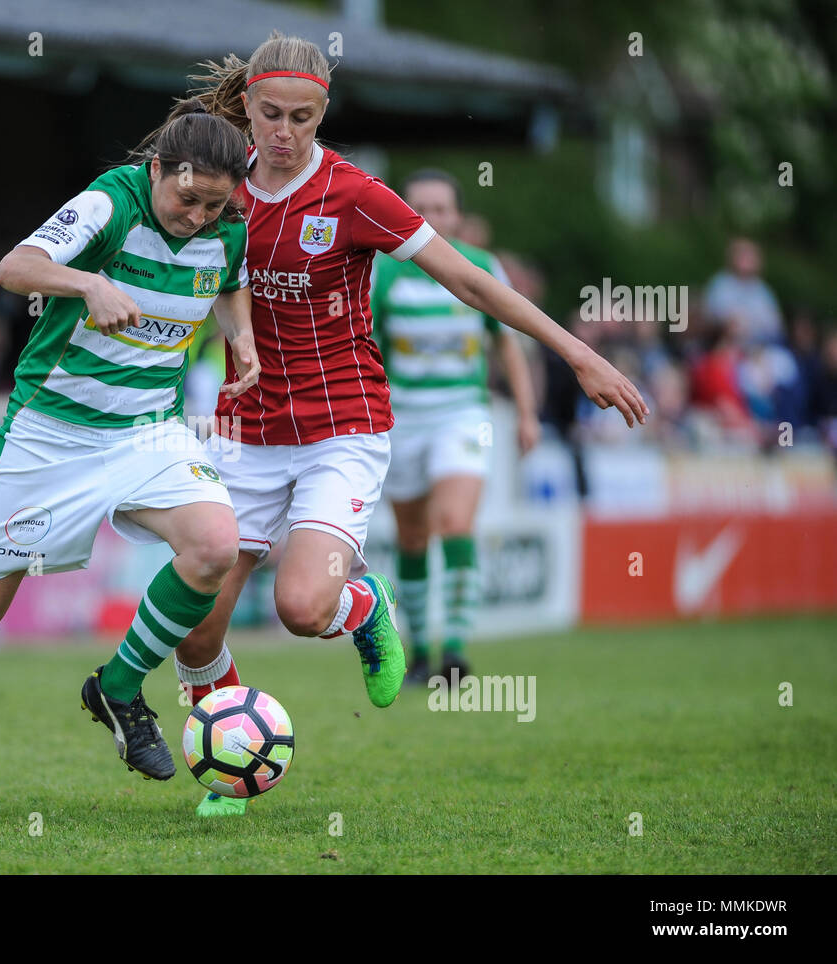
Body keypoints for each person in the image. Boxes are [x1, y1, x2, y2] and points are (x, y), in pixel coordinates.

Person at [172, 32, 647, 817]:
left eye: (302, 116)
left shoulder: (353, 194)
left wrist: (576, 355)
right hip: (244, 430)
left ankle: (366, 607)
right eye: (269, 115)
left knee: (301, 610)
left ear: (323, 114)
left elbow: (468, 277)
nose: (284, 132)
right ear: (246, 108)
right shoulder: (218, 186)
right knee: (197, 629)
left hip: (342, 428)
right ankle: (229, 770)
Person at [0, 100, 260, 816]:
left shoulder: (227, 231)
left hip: (148, 431)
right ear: (158, 167)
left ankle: (119, 684)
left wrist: (244, 344)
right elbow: (16, 267)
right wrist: (87, 282)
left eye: (213, 205)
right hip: (49, 436)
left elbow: (226, 286)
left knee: (214, 546)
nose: (197, 215)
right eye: (186, 197)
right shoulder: (112, 202)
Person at [371, 169, 540, 685]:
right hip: (402, 418)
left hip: (465, 414)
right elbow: (367, 343)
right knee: (414, 537)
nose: (431, 218)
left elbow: (507, 339)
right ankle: (420, 651)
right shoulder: (385, 272)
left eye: (441, 208)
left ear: (458, 215)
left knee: (455, 523)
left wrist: (527, 413)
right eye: (420, 207)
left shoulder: (482, 267)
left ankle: (456, 651)